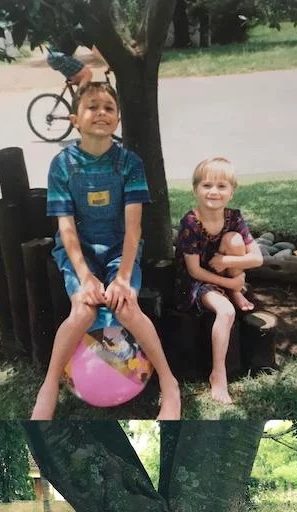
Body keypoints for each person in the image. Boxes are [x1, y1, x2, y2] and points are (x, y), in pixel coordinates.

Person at [31, 81, 181, 420]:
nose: (101, 112)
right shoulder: (63, 165)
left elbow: (133, 229)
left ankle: (170, 386)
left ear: (117, 119)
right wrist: (84, 277)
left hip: (119, 251)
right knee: (82, 311)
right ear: (75, 119)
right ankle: (50, 385)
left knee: (126, 307)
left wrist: (124, 276)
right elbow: (66, 228)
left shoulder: (129, 163)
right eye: (92, 106)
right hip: (78, 251)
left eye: (108, 108)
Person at [175, 157, 263, 405]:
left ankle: (236, 292)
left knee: (235, 241)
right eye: (207, 185)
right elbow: (194, 271)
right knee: (225, 313)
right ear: (195, 189)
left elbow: (256, 258)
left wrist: (227, 263)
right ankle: (218, 374)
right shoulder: (191, 223)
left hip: (222, 274)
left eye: (221, 186)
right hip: (195, 284)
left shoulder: (233, 217)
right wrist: (231, 282)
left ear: (232, 191)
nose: (214, 191)